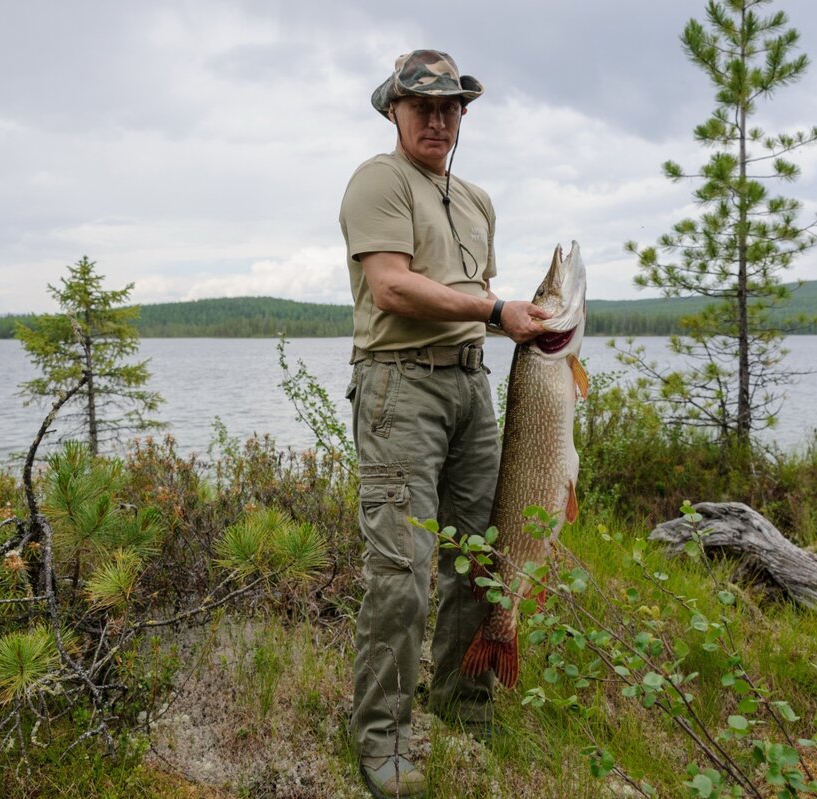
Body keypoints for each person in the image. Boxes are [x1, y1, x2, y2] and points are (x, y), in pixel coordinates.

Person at [339, 49, 548, 799]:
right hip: (400, 390)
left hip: (471, 389)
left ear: (464, 115)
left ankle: (463, 707)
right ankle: (382, 739)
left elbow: (468, 298)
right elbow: (392, 288)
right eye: (421, 105)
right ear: (393, 110)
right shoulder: (378, 181)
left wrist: (522, 325)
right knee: (401, 575)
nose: (437, 118)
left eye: (450, 106)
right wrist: (498, 311)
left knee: (479, 558)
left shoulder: (477, 200)